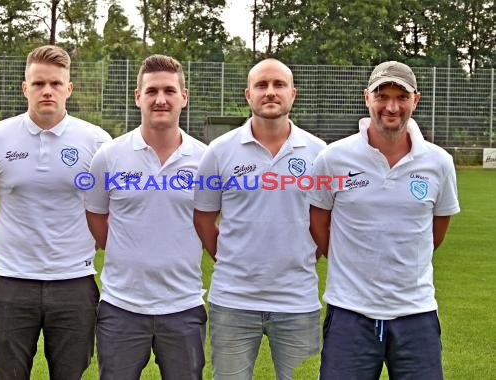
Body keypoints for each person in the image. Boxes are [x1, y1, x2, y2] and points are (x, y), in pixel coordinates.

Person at [0, 45, 112, 380]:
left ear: (69, 88)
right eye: (39, 83)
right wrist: (13, 252)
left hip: (75, 283)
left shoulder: (97, 142)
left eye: (56, 84)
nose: (48, 91)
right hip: (11, 284)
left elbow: (113, 213)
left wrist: (77, 251)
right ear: (25, 87)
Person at [308, 61, 460, 380]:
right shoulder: (332, 158)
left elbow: (436, 231)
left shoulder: (439, 162)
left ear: (415, 100)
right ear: (367, 98)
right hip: (350, 312)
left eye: (401, 97)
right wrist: (351, 261)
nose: (391, 106)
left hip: (416, 312)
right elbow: (318, 222)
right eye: (382, 95)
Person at [193, 58, 326, 379]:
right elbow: (203, 218)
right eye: (261, 85)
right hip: (233, 301)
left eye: (279, 85)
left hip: (298, 301)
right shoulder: (220, 151)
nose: (270, 92)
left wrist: (304, 256)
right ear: (247, 94)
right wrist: (228, 257)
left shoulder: (320, 153)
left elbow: (325, 222)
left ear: (293, 94)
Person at [85, 54, 208, 380]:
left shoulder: (207, 160)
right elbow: (97, 218)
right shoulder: (109, 156)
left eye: (169, 90)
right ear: (138, 96)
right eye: (152, 91)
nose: (161, 99)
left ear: (184, 96)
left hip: (183, 306)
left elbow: (212, 221)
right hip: (121, 307)